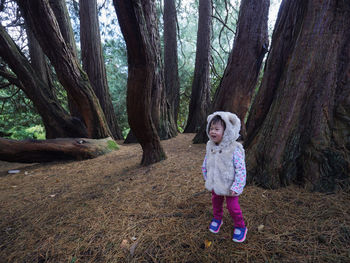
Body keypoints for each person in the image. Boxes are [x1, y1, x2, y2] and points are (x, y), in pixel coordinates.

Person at [201, 111, 247, 243]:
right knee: (216, 201)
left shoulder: (235, 148)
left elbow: (241, 169)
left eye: (217, 129)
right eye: (211, 128)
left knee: (233, 207)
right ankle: (217, 218)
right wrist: (207, 177)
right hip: (216, 183)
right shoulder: (210, 146)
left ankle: (240, 225)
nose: (212, 132)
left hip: (230, 185)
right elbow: (206, 162)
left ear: (226, 131)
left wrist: (237, 186)